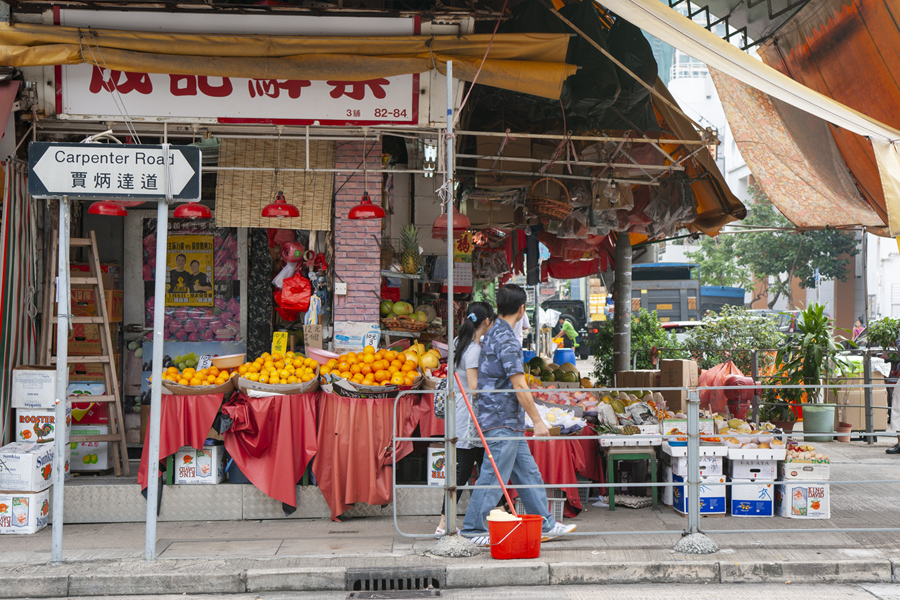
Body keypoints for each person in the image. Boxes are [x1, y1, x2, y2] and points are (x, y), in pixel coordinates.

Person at [461, 284, 577, 546]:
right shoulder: (506, 340)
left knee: (528, 473)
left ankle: (545, 524)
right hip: (502, 418)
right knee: (493, 476)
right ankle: (471, 529)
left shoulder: (494, 332)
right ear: (522, 309)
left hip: (505, 419)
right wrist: (538, 421)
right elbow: (519, 385)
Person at [435, 301, 496, 535]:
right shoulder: (474, 349)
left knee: (485, 466)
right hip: (470, 417)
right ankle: (443, 523)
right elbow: (474, 387)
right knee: (463, 471)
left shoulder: (459, 342)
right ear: (487, 322)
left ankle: (493, 516)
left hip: (463, 412)